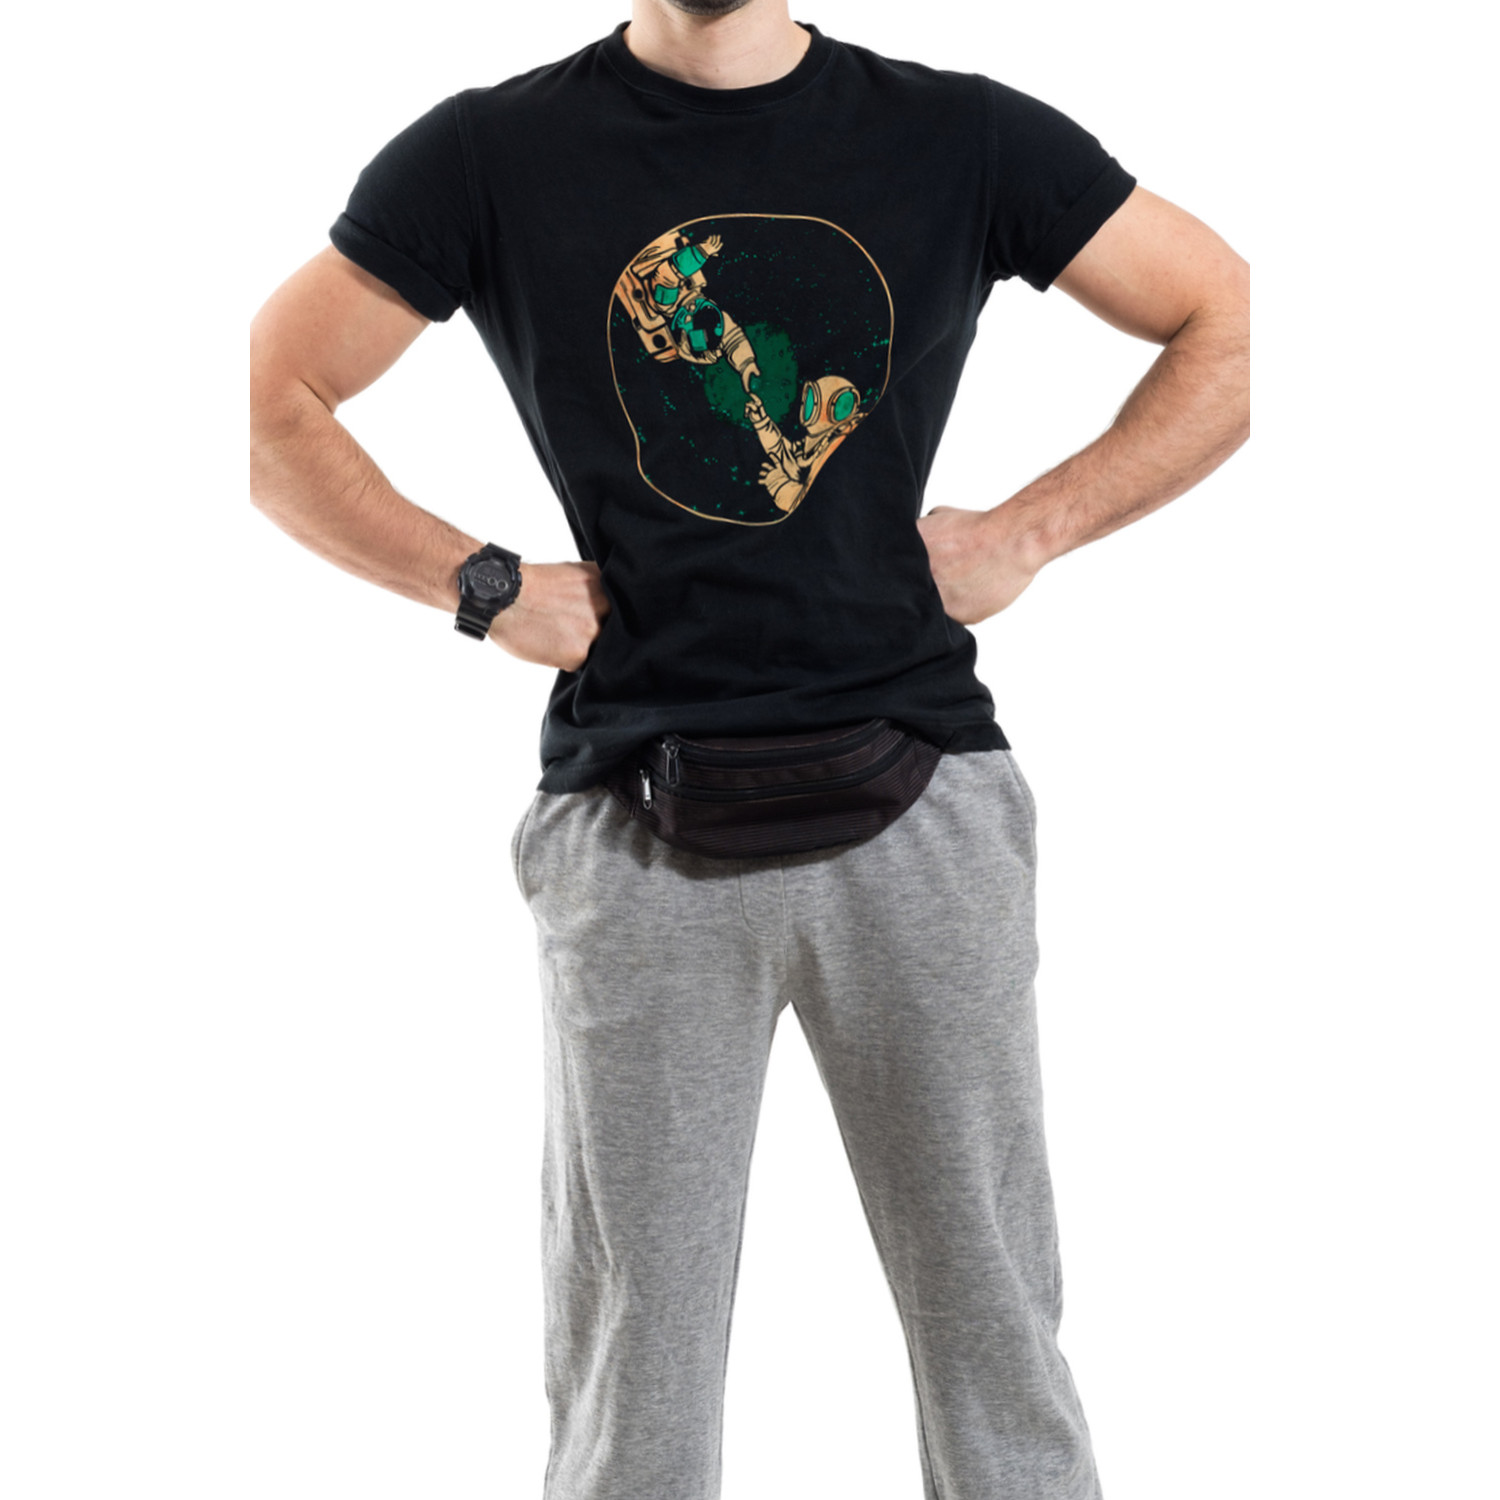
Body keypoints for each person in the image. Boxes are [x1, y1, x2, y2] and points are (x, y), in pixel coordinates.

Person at [248, 2, 1249, 1494]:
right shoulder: (486, 155)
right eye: (683, 335)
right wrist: (485, 586)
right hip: (633, 823)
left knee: (993, 1339)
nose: (703, 356)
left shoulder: (961, 135)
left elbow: (1230, 317)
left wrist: (1033, 529)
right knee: (633, 1374)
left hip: (924, 796)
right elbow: (266, 402)